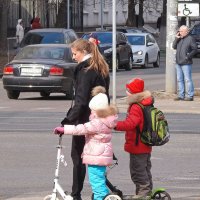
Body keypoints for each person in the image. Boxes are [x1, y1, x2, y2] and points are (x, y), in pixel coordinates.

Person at [60, 38, 110, 200]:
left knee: (79, 158)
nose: (73, 57)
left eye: (75, 54)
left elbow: (81, 100)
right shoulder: (99, 67)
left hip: (85, 119)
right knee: (95, 158)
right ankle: (104, 191)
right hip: (99, 118)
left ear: (83, 52)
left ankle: (77, 194)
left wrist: (67, 122)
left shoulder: (86, 71)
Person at [54, 86, 118, 200]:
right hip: (100, 156)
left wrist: (64, 129)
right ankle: (100, 196)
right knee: (99, 179)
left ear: (97, 110)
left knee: (96, 181)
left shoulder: (97, 123)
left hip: (96, 156)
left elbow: (81, 129)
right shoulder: (105, 120)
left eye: (92, 110)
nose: (91, 112)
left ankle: (100, 197)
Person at [114, 78, 153, 200]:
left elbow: (130, 124)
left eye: (128, 90)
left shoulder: (136, 106)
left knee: (137, 172)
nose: (126, 92)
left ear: (134, 93)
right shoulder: (145, 103)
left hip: (138, 145)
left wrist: (115, 124)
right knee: (145, 170)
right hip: (145, 144)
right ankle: (147, 192)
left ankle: (143, 194)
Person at [172, 25, 197, 101]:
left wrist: (188, 56)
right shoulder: (179, 38)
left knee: (188, 79)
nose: (180, 32)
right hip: (178, 62)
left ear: (187, 32)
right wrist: (177, 38)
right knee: (180, 79)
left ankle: (190, 95)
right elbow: (174, 46)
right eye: (179, 31)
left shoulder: (190, 38)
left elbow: (195, 49)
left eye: (182, 31)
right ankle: (181, 95)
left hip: (186, 62)